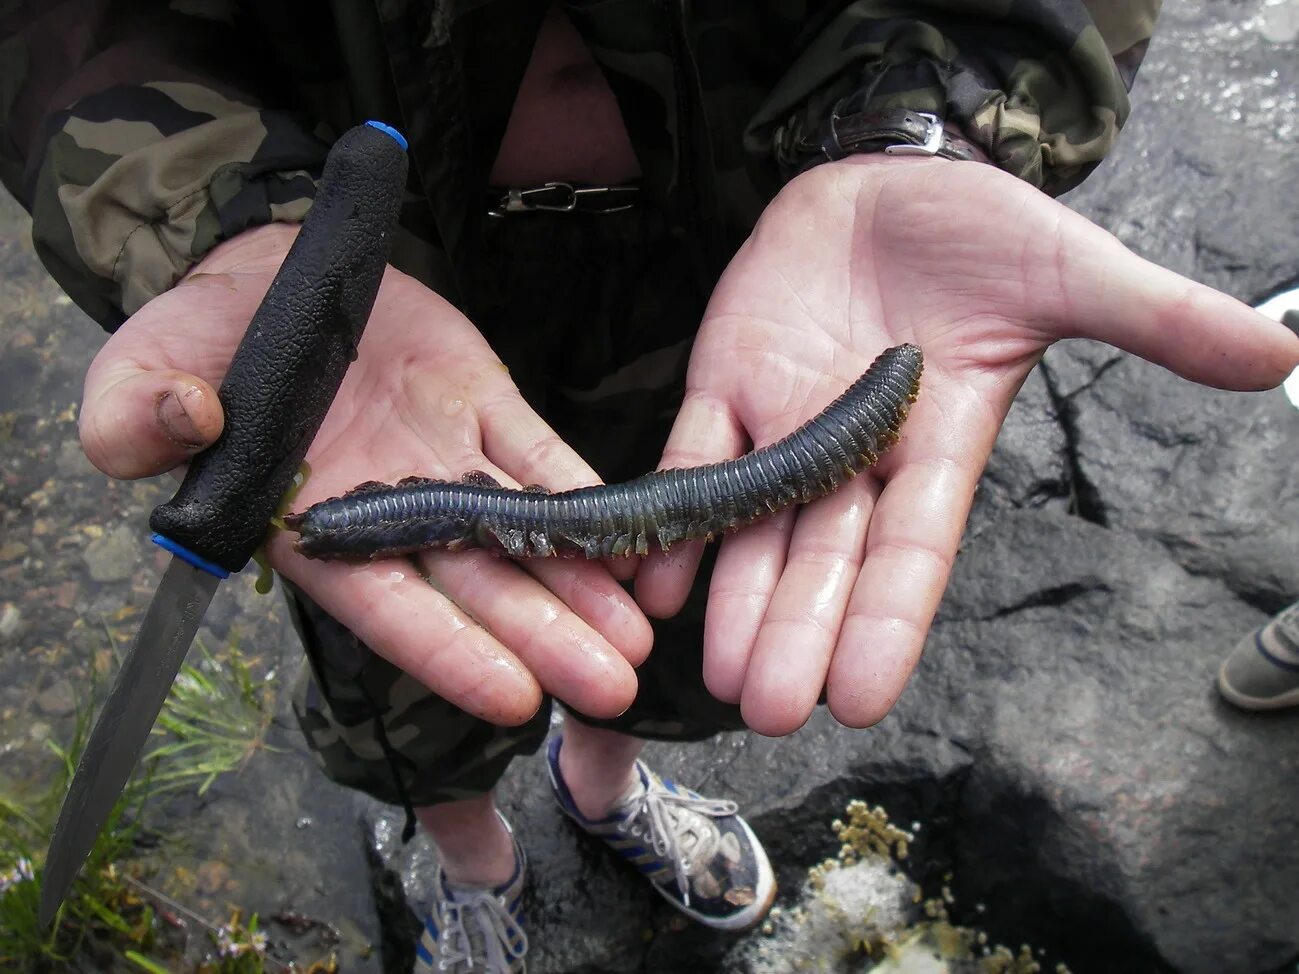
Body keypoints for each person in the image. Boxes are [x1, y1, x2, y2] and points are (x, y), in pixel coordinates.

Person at [4, 3, 1297, 971]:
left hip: (746, 263)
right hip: (376, 290)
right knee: (417, 651)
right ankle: (468, 866)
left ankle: (605, 785)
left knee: (660, 617)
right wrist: (231, 221)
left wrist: (933, 120)